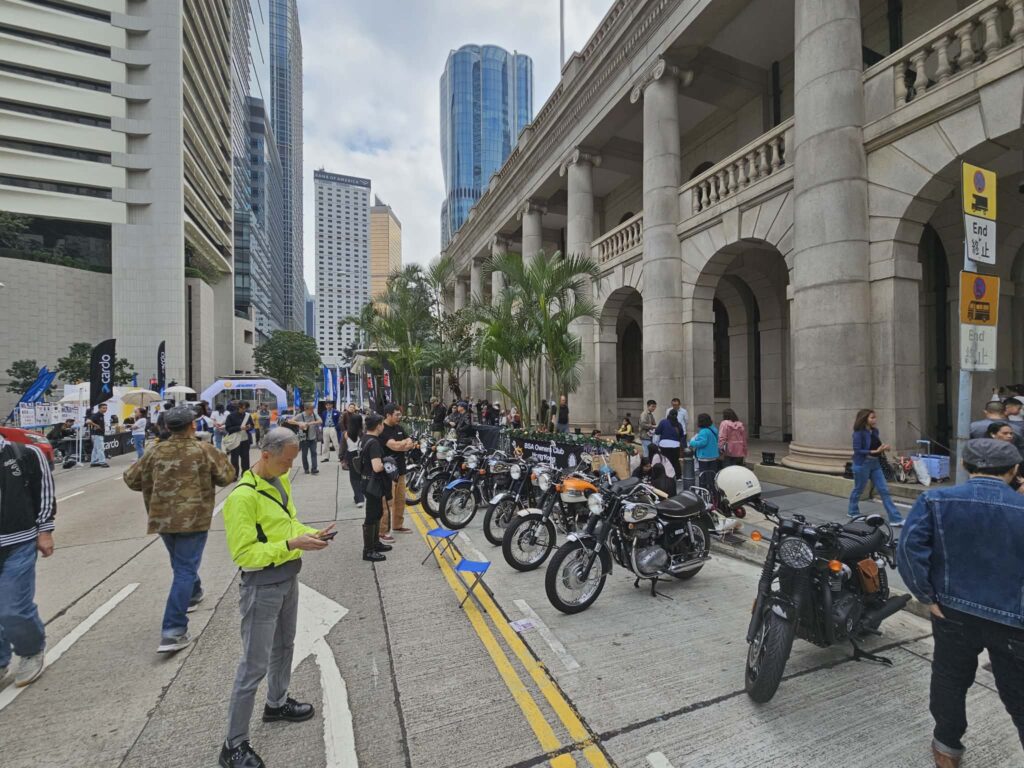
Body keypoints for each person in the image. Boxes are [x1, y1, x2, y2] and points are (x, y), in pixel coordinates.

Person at [897, 438, 1024, 768]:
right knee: (1019, 694)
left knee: (950, 680)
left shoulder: (935, 500)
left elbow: (909, 549)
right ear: (1014, 470)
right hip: (1014, 619)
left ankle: (947, 748)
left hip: (952, 611)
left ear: (966, 466)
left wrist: (927, 596)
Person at [219, 428, 334, 768]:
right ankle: (233, 744)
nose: (290, 467)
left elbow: (288, 524)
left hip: (287, 576)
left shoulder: (279, 482)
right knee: (253, 665)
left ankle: (277, 703)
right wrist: (291, 545)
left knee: (285, 646)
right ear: (265, 455)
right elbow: (244, 554)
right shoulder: (242, 498)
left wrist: (309, 534)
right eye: (286, 461)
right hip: (261, 586)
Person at [124, 406, 235, 653]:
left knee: (181, 564)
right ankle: (173, 630)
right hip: (194, 519)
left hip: (162, 519)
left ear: (166, 427)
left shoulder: (155, 452)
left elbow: (131, 479)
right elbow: (227, 476)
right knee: (184, 568)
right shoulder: (203, 450)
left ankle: (193, 593)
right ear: (192, 425)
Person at [0, 430, 55, 688]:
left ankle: (31, 650)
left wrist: (45, 530)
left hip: (18, 542)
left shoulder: (25, 453)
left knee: (12, 608)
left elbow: (44, 491)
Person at [847, 408, 904, 525]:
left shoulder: (875, 431)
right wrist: (874, 451)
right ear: (864, 419)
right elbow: (857, 450)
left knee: (884, 490)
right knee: (859, 489)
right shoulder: (858, 433)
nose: (875, 420)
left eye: (875, 417)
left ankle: (895, 519)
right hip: (862, 464)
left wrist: (884, 447)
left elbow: (877, 445)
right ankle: (852, 511)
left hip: (875, 464)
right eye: (872, 417)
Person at [358, 414, 393, 563]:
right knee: (372, 515)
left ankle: (375, 543)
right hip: (372, 483)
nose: (383, 426)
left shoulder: (364, 438)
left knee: (377, 512)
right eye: (382, 424)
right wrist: (388, 463)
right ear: (378, 425)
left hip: (366, 481)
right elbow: (377, 467)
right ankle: (368, 550)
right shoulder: (374, 443)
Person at [379, 403, 414, 541]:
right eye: (397, 414)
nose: (399, 417)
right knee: (387, 502)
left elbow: (410, 442)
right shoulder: (382, 429)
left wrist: (402, 444)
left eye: (400, 414)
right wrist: (403, 445)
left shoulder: (399, 427)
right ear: (388, 415)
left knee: (400, 499)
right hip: (388, 472)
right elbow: (394, 446)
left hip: (401, 469)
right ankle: (382, 531)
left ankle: (397, 525)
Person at [985, 422, 1024, 492]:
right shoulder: (986, 451)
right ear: (993, 434)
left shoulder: (1013, 450)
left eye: (1011, 433)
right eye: (1005, 433)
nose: (1009, 436)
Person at [288, 402, 321, 475]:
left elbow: (320, 421)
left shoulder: (314, 414)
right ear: (306, 409)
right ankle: (306, 469)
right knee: (304, 454)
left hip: (313, 437)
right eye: (311, 409)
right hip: (304, 438)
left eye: (313, 409)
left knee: (314, 453)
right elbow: (290, 421)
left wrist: (310, 423)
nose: (312, 410)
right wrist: (299, 423)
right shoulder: (300, 415)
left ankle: (314, 469)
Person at [688, 413, 721, 488]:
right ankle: (712, 489)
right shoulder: (713, 429)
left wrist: (692, 442)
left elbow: (702, 443)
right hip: (713, 456)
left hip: (704, 456)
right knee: (712, 475)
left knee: (703, 475)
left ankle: (704, 490)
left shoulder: (703, 431)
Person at [225, 402, 253, 477]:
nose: (244, 410)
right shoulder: (231, 416)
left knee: (245, 458)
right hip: (234, 441)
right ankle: (234, 475)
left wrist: (249, 427)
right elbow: (228, 428)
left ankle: (245, 474)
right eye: (242, 408)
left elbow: (252, 425)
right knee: (234, 459)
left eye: (245, 408)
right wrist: (239, 428)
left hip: (245, 440)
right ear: (238, 407)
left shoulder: (248, 415)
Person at [654, 408, 684, 477]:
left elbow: (657, 432)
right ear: (676, 415)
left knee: (665, 460)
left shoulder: (663, 422)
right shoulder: (678, 424)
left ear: (669, 414)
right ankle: (678, 476)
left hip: (664, 444)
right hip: (675, 445)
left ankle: (666, 475)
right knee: (675, 461)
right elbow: (682, 435)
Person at [344, 409, 365, 508]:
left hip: (351, 455)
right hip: (361, 455)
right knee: (361, 476)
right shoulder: (363, 433)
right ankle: (359, 496)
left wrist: (342, 458)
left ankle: (359, 498)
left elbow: (345, 446)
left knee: (354, 478)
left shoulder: (346, 434)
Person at [86, 403, 109, 468]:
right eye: (103, 408)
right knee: (100, 448)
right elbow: (88, 421)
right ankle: (102, 462)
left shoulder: (101, 415)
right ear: (99, 408)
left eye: (106, 408)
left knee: (96, 449)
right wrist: (96, 425)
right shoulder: (96, 415)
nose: (105, 409)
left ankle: (94, 462)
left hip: (97, 434)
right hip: (97, 434)